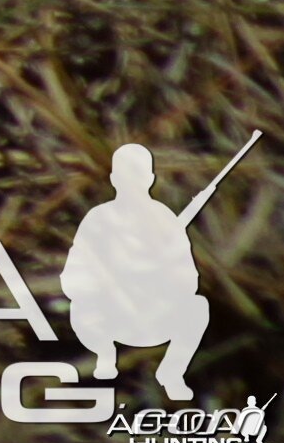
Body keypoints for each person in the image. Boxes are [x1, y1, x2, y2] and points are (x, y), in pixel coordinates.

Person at [62, 145, 212, 401]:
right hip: (108, 316)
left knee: (198, 308)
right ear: (113, 179)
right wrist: (107, 284)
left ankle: (172, 372)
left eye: (139, 175)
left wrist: (160, 275)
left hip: (156, 315)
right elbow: (72, 276)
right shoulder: (98, 218)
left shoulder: (164, 220)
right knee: (80, 310)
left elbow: (189, 279)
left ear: (151, 178)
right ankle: (104, 356)